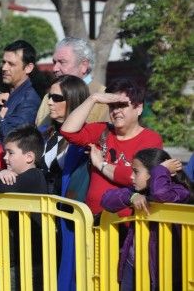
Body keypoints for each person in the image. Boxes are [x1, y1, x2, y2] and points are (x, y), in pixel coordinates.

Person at [60, 78, 163, 216]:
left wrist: (100, 164)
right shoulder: (102, 130)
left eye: (122, 105)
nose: (116, 111)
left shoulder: (151, 139)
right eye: (112, 106)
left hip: (126, 226)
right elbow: (68, 131)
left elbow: (135, 177)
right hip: (93, 222)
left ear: (138, 108)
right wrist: (93, 98)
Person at [101, 148, 193, 290]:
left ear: (155, 174)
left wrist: (162, 169)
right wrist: (131, 197)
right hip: (132, 263)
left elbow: (161, 194)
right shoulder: (139, 192)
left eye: (136, 172)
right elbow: (107, 200)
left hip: (161, 269)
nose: (131, 176)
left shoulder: (180, 191)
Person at [0, 125, 46, 291]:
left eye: (10, 153)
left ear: (29, 157)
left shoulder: (33, 176)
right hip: (14, 256)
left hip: (30, 259)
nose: (5, 158)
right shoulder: (14, 176)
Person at [36, 37, 108, 127]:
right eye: (54, 62)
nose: (55, 68)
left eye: (62, 62)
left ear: (83, 65)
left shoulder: (104, 99)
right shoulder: (49, 97)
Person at [39, 75, 90, 197]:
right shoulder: (42, 132)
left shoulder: (87, 138)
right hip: (37, 207)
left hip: (66, 209)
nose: (49, 102)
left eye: (56, 98)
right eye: (49, 96)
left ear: (73, 100)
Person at [0, 40, 41, 142]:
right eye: (3, 62)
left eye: (11, 64)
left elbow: (13, 138)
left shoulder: (29, 100)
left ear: (28, 68)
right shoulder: (3, 93)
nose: (4, 68)